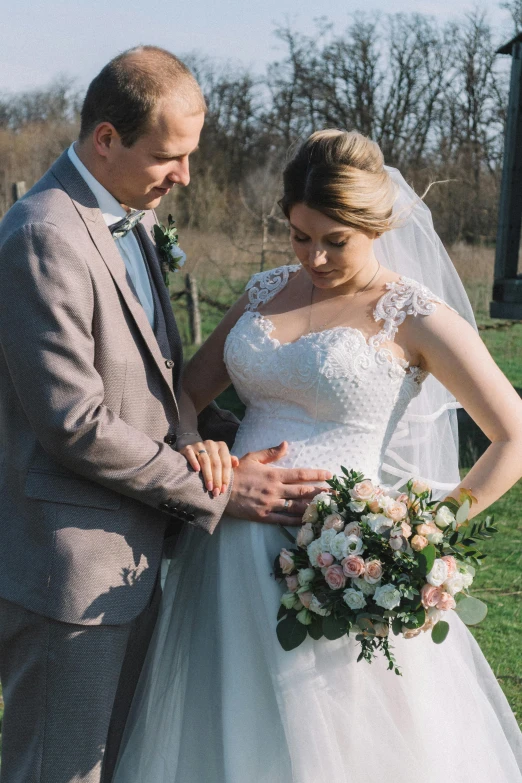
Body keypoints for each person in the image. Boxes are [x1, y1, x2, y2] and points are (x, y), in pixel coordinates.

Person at [113, 129, 522, 783]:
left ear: (375, 225)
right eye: (302, 236)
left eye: (336, 240)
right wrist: (196, 446)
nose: (317, 257)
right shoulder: (262, 291)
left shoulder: (413, 314)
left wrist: (428, 529)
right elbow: (185, 393)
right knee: (226, 728)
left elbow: (514, 434)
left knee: (334, 736)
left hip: (339, 555)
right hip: (224, 551)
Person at [0, 47, 331, 783]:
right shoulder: (42, 235)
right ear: (106, 140)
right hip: (70, 577)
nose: (183, 175)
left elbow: (156, 387)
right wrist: (216, 487)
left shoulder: (133, 220)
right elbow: (73, 421)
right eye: (168, 157)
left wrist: (217, 446)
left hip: (138, 560)